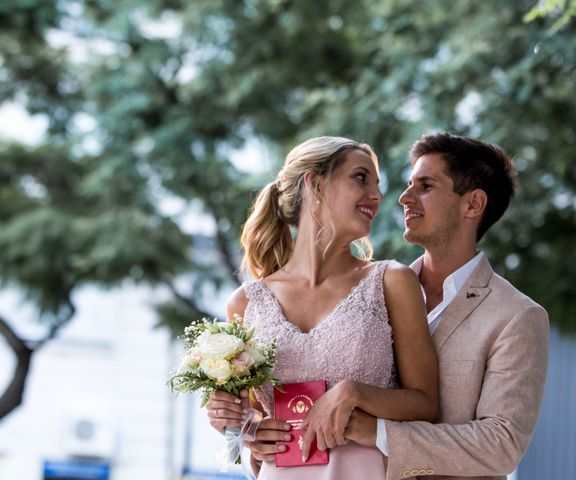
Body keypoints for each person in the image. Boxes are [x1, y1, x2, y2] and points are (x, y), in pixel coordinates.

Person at [205, 136, 438, 479]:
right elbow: (251, 417)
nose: (377, 195)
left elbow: (427, 404)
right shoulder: (246, 302)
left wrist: (354, 393)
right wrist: (244, 424)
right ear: (315, 183)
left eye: (378, 184)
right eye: (361, 178)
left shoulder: (391, 281)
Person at [342, 132, 549, 480]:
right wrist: (248, 423)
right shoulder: (370, 293)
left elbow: (500, 445)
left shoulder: (518, 317)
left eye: (425, 186)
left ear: (473, 204)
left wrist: (378, 433)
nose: (404, 198)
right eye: (409, 185)